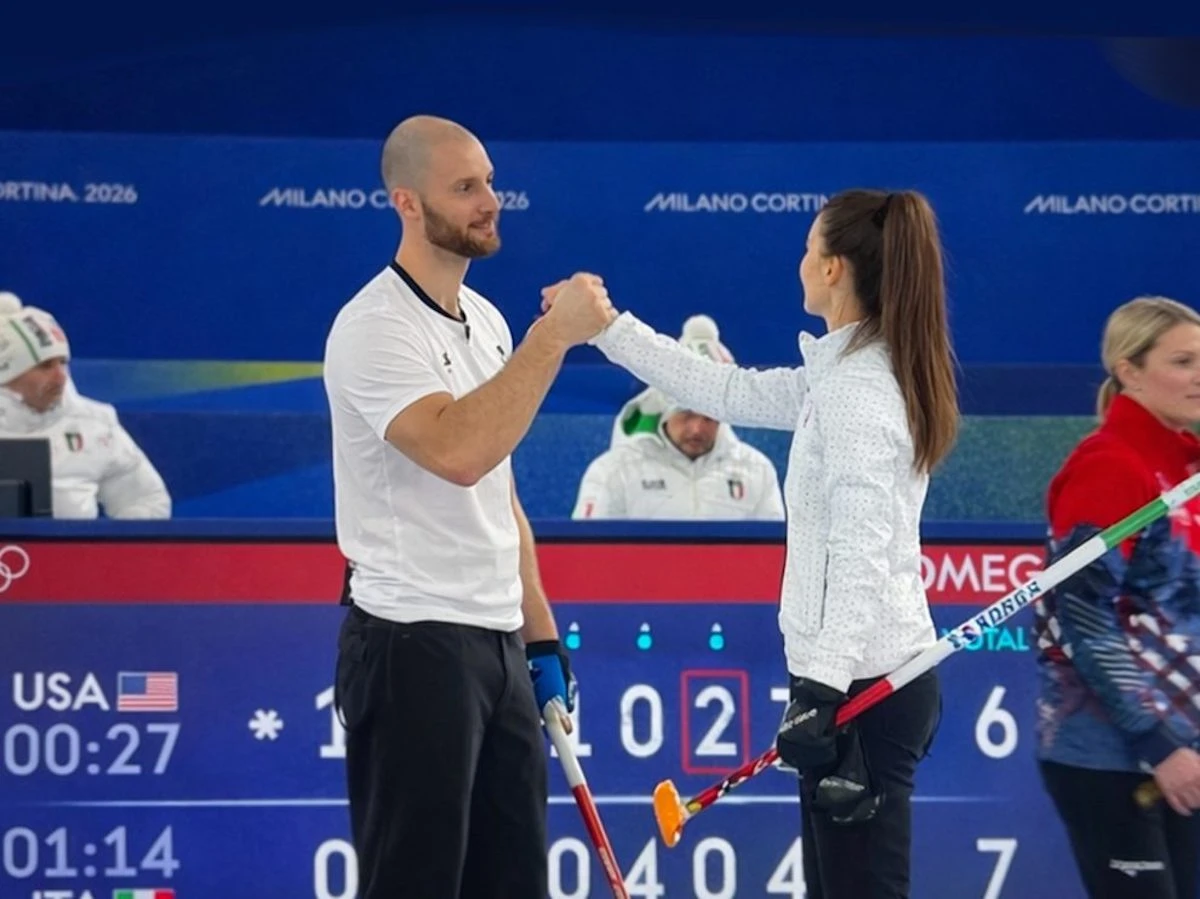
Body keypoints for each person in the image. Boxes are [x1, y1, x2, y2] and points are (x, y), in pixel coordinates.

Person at [544, 188, 959, 898]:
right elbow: (723, 388)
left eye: (806, 247)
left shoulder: (859, 391)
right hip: (848, 682)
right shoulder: (839, 376)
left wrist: (823, 687)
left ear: (833, 268)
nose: (798, 261)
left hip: (866, 687)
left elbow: (861, 552)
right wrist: (607, 329)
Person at [321, 115, 615, 899]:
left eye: (488, 180)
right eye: (465, 187)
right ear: (407, 203)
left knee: (513, 882)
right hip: (412, 643)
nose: (490, 200)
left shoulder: (485, 319)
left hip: (498, 648)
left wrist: (541, 634)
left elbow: (501, 490)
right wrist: (551, 341)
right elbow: (458, 453)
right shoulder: (373, 327)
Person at [1034, 296, 1200, 899]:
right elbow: (1080, 616)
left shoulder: (1185, 469)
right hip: (1114, 757)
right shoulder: (1112, 467)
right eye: (1183, 361)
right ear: (1129, 370)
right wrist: (1158, 743)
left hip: (1186, 753)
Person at [571, 313, 785, 521]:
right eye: (687, 415)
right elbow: (585, 553)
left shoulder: (757, 471)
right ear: (665, 410)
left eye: (709, 418)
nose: (697, 429)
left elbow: (778, 551)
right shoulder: (615, 471)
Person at [0, 292, 171, 519]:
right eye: (45, 366)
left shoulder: (94, 424)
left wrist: (112, 551)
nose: (60, 377)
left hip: (70, 555)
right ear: (8, 375)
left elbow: (146, 499)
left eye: (63, 363)